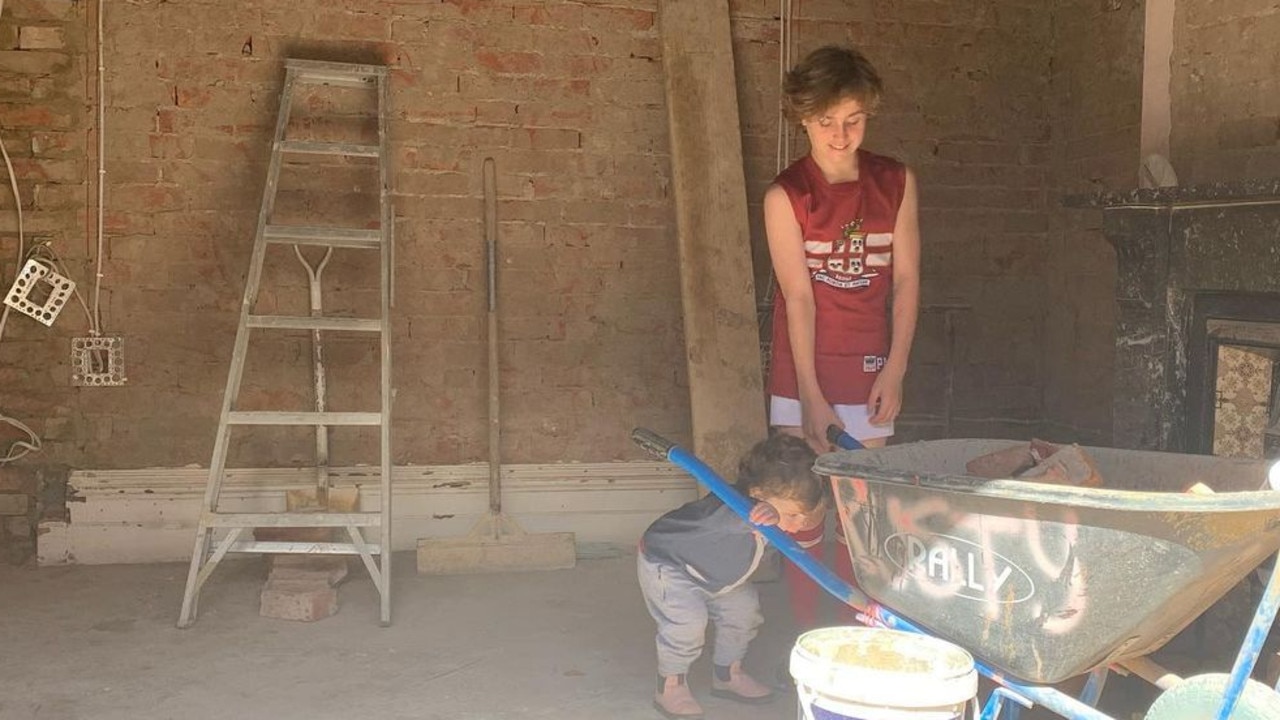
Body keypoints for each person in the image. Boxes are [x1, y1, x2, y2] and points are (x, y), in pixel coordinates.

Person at [763, 45, 921, 630]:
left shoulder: (896, 181)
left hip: (871, 368)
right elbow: (798, 298)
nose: (840, 134)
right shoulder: (786, 195)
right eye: (826, 121)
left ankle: (858, 640)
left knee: (862, 519)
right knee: (801, 514)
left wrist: (896, 368)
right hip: (802, 372)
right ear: (803, 118)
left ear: (869, 114)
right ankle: (806, 639)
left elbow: (905, 281)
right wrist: (808, 393)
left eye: (852, 119)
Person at [637, 433, 826, 719]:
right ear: (759, 496)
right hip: (671, 565)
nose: (799, 524)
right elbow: (735, 522)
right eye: (792, 516)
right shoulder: (730, 508)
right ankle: (670, 684)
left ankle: (727, 674)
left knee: (744, 612)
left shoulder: (771, 517)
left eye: (804, 516)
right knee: (686, 624)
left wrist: (785, 521)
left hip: (720, 575)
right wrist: (757, 516)